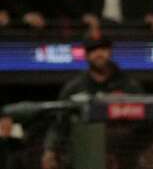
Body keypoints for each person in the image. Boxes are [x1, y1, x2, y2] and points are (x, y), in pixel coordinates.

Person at [42, 37, 144, 169]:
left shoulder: (129, 85)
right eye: (93, 50)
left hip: (122, 154)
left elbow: (143, 125)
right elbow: (59, 123)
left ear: (110, 52)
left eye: (103, 49)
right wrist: (50, 150)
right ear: (86, 55)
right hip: (82, 153)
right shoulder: (75, 87)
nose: (99, 54)